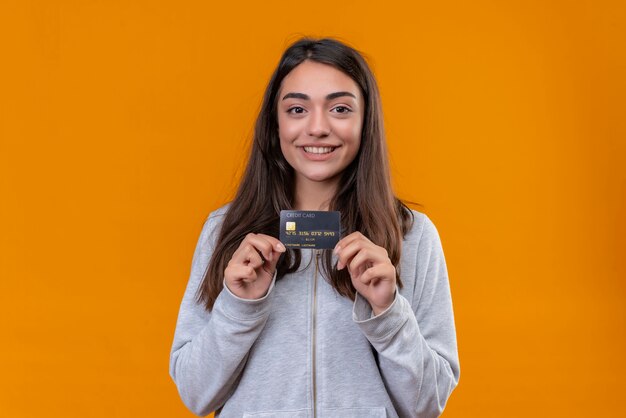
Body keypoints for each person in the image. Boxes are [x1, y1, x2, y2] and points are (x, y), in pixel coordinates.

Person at [169, 37, 460, 418]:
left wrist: (387, 311)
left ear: (365, 121)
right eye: (297, 109)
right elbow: (195, 394)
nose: (318, 127)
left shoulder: (413, 235)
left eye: (340, 108)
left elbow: (427, 405)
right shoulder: (224, 231)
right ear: (276, 123)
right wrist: (239, 307)